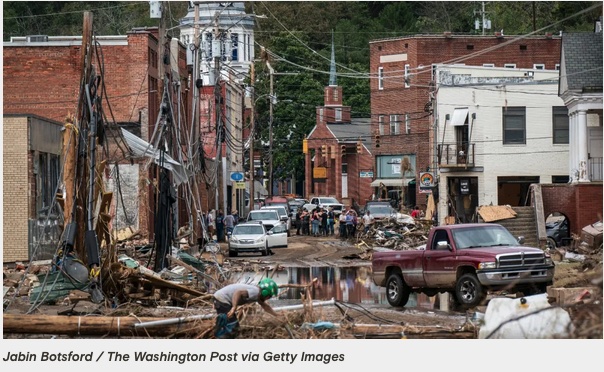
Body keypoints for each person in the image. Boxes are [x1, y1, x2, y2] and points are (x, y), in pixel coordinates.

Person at [212, 278, 281, 338]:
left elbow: (266, 306)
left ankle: (220, 335)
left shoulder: (258, 294)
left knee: (228, 324)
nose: (267, 299)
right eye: (269, 296)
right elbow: (238, 293)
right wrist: (234, 307)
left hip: (220, 298)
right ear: (265, 292)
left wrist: (277, 315)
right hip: (222, 299)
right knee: (232, 326)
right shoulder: (256, 292)